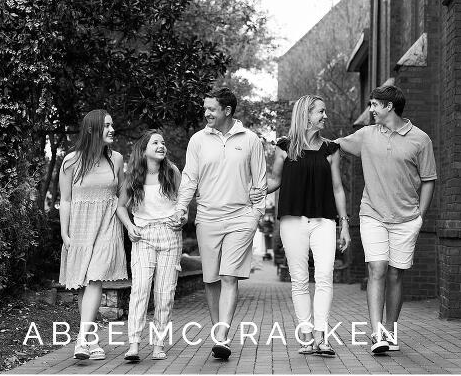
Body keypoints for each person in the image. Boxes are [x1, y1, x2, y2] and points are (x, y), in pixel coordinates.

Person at [334, 85, 437, 354]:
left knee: (395, 274)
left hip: (406, 218)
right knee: (377, 268)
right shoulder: (366, 135)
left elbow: (428, 180)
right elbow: (333, 145)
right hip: (373, 214)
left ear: (389, 106)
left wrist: (420, 216)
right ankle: (377, 333)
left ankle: (391, 330)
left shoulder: (420, 139)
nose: (371, 110)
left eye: (375, 105)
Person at [172, 87, 267, 360]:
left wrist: (255, 216)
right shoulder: (198, 140)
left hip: (240, 218)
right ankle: (219, 332)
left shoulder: (250, 140)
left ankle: (222, 337)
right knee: (211, 279)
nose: (206, 113)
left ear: (227, 111)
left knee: (228, 276)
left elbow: (259, 183)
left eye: (212, 109)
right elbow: (190, 178)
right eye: (205, 108)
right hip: (208, 218)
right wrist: (181, 209)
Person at [253, 95, 351, 357]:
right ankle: (306, 336)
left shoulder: (331, 149)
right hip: (292, 221)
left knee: (324, 277)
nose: (325, 116)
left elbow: (338, 188)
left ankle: (322, 336)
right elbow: (274, 181)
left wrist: (345, 225)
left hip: (324, 221)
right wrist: (255, 191)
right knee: (299, 280)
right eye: (321, 111)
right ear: (306, 115)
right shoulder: (284, 146)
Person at [58, 109, 128, 361]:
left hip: (107, 225)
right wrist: (64, 233)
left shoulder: (117, 159)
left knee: (95, 278)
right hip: (80, 226)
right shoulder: (71, 161)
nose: (111, 130)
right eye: (106, 126)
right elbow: (65, 200)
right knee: (83, 283)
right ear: (92, 130)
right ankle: (92, 340)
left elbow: (123, 192)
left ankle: (80, 340)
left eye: (112, 125)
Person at [115, 130, 183, 362]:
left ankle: (158, 345)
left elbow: (182, 204)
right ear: (143, 149)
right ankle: (134, 345)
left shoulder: (172, 172)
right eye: (155, 142)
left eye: (163, 142)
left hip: (169, 236)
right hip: (142, 237)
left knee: (165, 294)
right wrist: (129, 226)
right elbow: (121, 207)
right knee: (140, 290)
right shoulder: (133, 175)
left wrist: (181, 218)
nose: (161, 146)